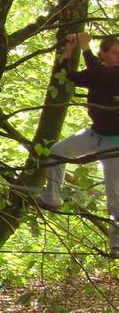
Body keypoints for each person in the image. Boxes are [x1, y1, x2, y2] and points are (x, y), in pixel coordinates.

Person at [36, 32, 119, 255]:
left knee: (115, 195)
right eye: (115, 53)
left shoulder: (111, 74)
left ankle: (117, 244)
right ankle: (52, 196)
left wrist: (85, 49)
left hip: (116, 144)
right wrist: (68, 52)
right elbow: (64, 76)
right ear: (103, 54)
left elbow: (105, 77)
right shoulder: (97, 73)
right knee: (58, 152)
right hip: (95, 135)